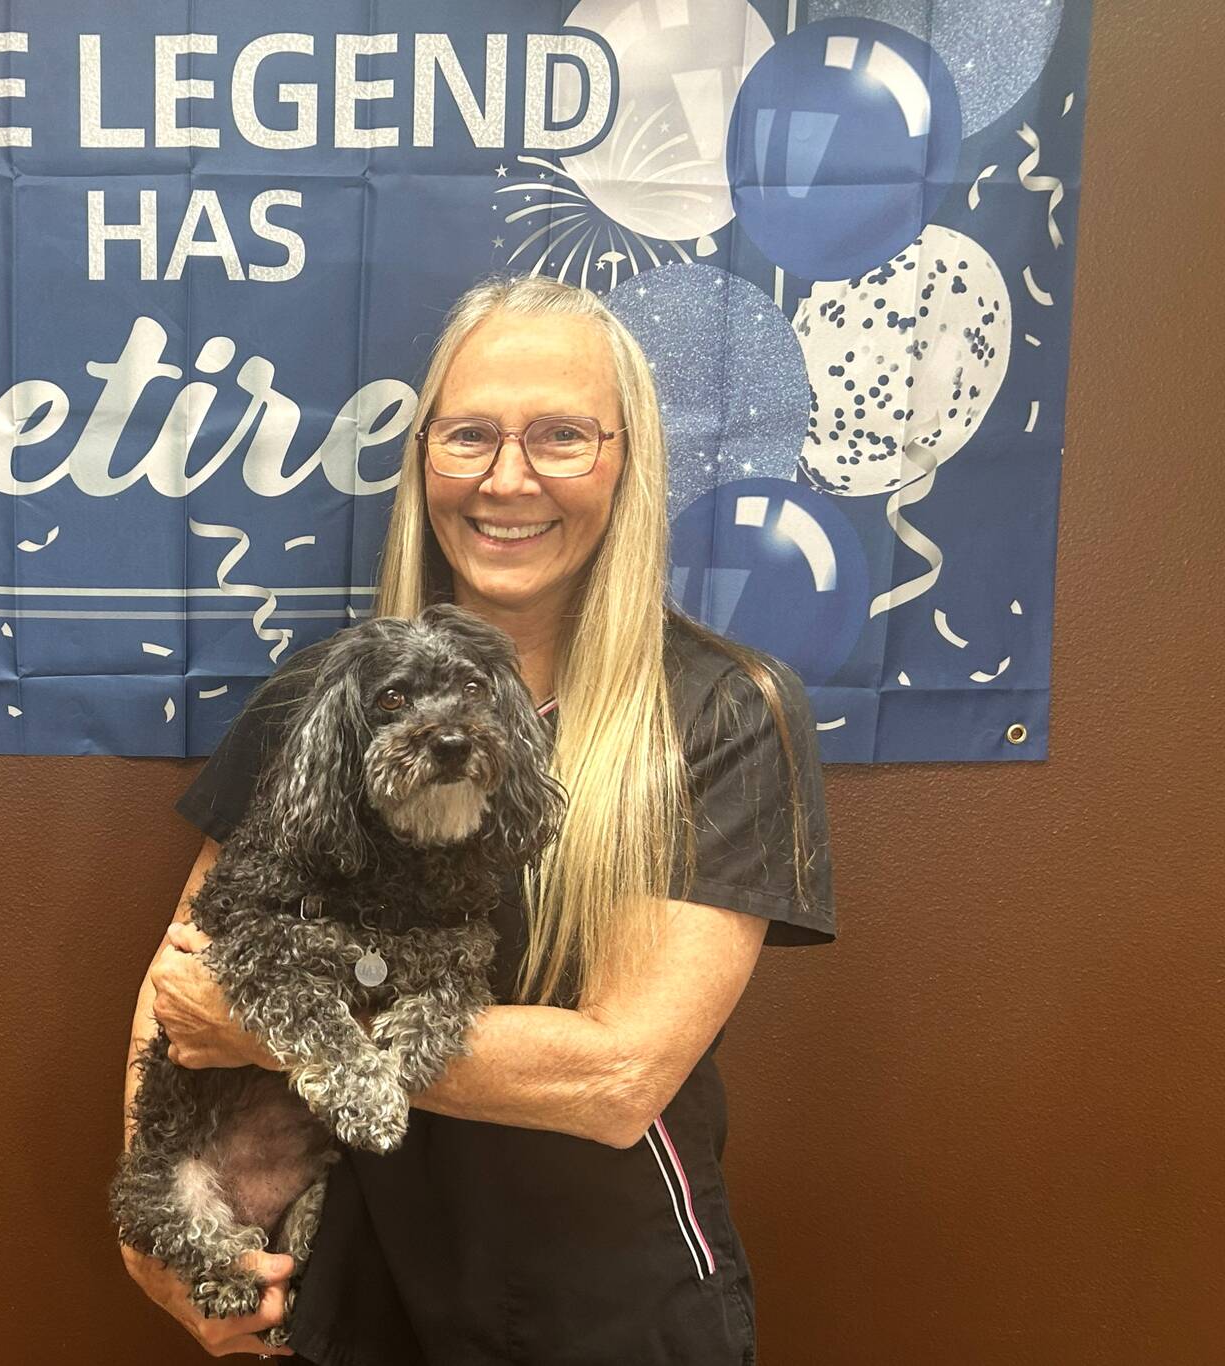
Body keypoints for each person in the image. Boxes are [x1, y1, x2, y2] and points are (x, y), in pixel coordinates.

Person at [118, 275, 835, 1364]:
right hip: (344, 1286)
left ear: (625, 459)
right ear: (420, 459)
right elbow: (181, 978)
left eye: (559, 435)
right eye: (468, 435)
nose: (507, 478)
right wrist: (152, 1235)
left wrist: (280, 1032)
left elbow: (614, 1075)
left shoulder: (723, 712)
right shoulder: (323, 696)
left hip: (607, 1307)